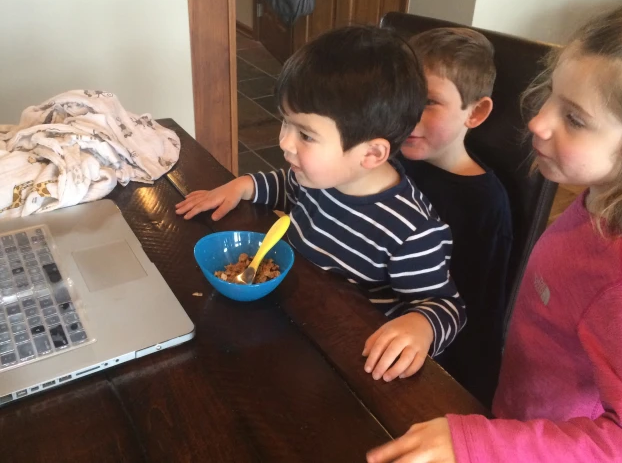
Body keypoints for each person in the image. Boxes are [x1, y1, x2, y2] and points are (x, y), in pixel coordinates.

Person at [367, 0, 622, 463]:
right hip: (514, 417)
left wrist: (482, 443)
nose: (537, 122)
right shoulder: (602, 195)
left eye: (575, 118)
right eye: (550, 97)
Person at [176, 25, 466, 380]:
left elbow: (447, 306)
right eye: (285, 123)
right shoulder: (319, 176)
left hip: (349, 359)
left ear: (372, 153)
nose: (284, 143)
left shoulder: (411, 230)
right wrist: (244, 185)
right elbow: (287, 186)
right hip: (294, 317)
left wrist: (422, 325)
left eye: (305, 135)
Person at [397, 27, 512, 406]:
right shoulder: (388, 159)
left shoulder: (483, 203)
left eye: (429, 101)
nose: (408, 114)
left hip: (428, 361)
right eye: (403, 96)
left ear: (475, 112)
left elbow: (480, 315)